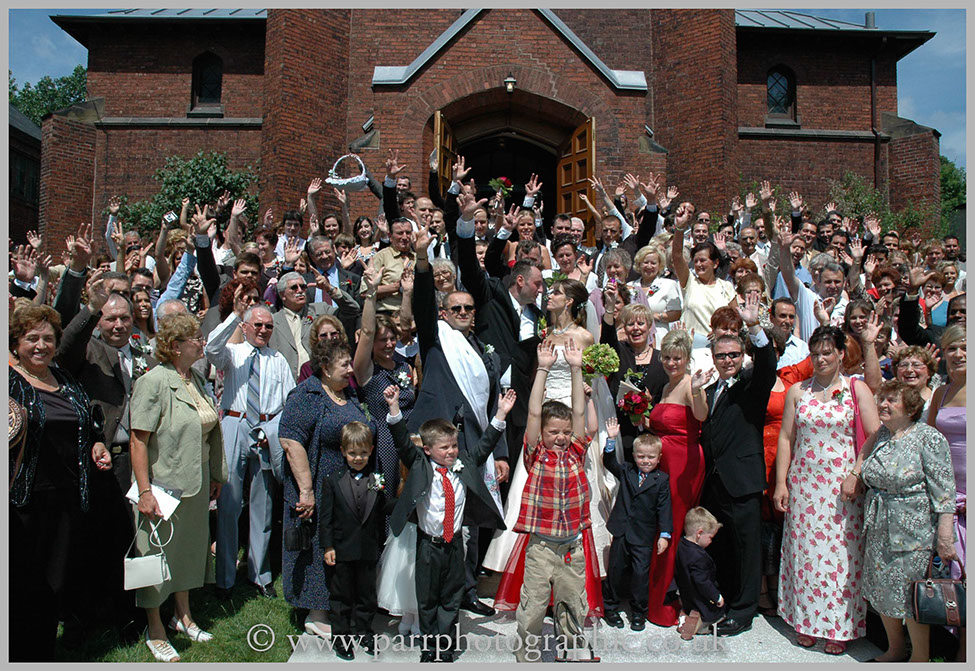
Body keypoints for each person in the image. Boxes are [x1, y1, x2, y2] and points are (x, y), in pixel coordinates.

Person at [9, 304, 112, 661]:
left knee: (55, 583)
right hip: (23, 502)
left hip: (69, 498)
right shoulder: (10, 383)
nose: (41, 345)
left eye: (48, 338)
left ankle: (42, 652)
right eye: (31, 338)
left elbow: (87, 420)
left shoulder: (65, 379)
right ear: (16, 343)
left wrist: (97, 442)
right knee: (23, 583)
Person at [386, 384, 514, 662]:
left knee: (451, 599)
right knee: (428, 599)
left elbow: (485, 445)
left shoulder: (464, 463)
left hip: (454, 544)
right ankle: (428, 647)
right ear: (429, 450)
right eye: (444, 448)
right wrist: (394, 409)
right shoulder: (420, 464)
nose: (452, 452)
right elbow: (402, 443)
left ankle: (446, 646)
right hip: (428, 546)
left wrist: (501, 414)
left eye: (454, 445)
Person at [773, 325, 880, 655]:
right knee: (805, 555)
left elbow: (875, 434)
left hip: (842, 487)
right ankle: (805, 620)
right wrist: (781, 482)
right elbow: (786, 438)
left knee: (839, 557)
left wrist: (857, 473)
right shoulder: (798, 391)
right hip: (804, 484)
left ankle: (838, 625)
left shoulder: (855, 388)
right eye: (815, 353)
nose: (820, 359)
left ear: (841, 355)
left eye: (827, 352)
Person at [130, 313, 228, 662]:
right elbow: (138, 440)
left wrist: (215, 474)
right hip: (161, 485)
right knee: (155, 555)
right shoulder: (154, 381)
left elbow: (207, 429)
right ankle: (154, 628)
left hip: (196, 482)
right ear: (175, 347)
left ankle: (183, 616)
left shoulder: (197, 378)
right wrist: (144, 492)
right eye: (196, 338)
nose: (202, 343)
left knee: (188, 551)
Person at [496, 339, 598, 662]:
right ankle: (528, 652)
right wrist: (541, 368)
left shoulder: (576, 452)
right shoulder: (535, 454)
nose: (561, 437)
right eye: (554, 432)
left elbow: (579, 411)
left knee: (571, 601)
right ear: (542, 434)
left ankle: (571, 648)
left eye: (565, 432)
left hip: (572, 546)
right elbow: (534, 411)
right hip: (540, 546)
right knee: (535, 603)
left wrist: (575, 368)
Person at [278, 338, 378, 638]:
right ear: (324, 367)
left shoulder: (348, 393)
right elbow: (290, 441)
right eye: (344, 364)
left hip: (350, 489)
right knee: (321, 547)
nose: (351, 369)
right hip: (319, 485)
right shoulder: (307, 395)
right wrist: (306, 491)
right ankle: (316, 611)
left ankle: (341, 606)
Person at [859, 380, 958, 662]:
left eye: (892, 400)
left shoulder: (928, 437)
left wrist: (944, 534)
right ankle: (895, 650)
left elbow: (944, 489)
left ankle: (920, 658)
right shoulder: (882, 435)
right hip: (879, 526)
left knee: (913, 595)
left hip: (913, 531)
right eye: (882, 399)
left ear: (912, 406)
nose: (883, 405)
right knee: (883, 590)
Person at [206, 300, 295, 600]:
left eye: (268, 325)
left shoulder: (278, 360)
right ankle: (226, 578)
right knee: (229, 504)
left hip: (267, 428)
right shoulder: (233, 354)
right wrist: (233, 315)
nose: (263, 330)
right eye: (257, 324)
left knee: (264, 504)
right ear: (245, 327)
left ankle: (260, 574)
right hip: (235, 423)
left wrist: (275, 431)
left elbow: (289, 399)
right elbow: (210, 348)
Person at [698, 294, 776, 636]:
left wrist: (755, 325)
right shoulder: (711, 387)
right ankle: (727, 601)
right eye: (721, 355)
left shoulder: (751, 385)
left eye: (733, 355)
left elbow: (768, 365)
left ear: (742, 356)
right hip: (715, 483)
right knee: (725, 548)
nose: (727, 360)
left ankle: (744, 611)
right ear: (713, 358)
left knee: (747, 550)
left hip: (742, 480)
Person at [642, 329, 710, 627]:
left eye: (677, 358)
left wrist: (696, 390)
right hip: (663, 462)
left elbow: (701, 415)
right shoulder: (666, 387)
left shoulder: (688, 385)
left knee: (671, 527)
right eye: (667, 357)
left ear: (687, 358)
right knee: (662, 526)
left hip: (683, 465)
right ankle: (657, 598)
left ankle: (667, 604)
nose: (671, 363)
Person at [319, 421, 396, 660]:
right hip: (341, 549)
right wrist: (328, 545)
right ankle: (341, 638)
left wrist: (407, 500)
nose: (358, 458)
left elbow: (383, 507)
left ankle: (365, 632)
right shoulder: (332, 480)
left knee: (366, 595)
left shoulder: (376, 479)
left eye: (363, 453)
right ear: (343, 452)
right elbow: (326, 517)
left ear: (371, 450)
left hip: (368, 548)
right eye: (352, 453)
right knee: (341, 596)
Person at [354, 266, 417, 504]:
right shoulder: (366, 369)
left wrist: (408, 293)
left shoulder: (404, 367)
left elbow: (406, 323)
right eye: (383, 340)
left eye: (392, 338)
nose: (390, 344)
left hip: (410, 443)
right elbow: (368, 331)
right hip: (384, 445)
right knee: (387, 502)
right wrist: (371, 292)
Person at [601, 428, 673, 631]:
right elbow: (609, 462)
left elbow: (664, 509)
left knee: (640, 574)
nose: (645, 461)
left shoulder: (662, 480)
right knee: (615, 570)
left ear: (659, 458)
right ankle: (611, 607)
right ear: (634, 456)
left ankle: (639, 612)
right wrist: (611, 439)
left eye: (650, 457)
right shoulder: (627, 471)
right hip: (622, 530)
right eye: (641, 456)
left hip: (643, 535)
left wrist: (665, 534)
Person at [928, 324, 966, 662]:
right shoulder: (940, 393)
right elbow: (927, 441)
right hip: (947, 496)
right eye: (952, 349)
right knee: (955, 575)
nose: (958, 354)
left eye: (964, 347)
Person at [600, 295, 668, 460]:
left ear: (649, 326)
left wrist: (650, 402)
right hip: (620, 428)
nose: (636, 328)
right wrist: (609, 309)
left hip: (650, 433)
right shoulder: (618, 351)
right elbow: (607, 336)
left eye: (640, 323)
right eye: (630, 324)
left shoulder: (661, 359)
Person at [671, 206, 738, 348]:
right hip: (689, 347)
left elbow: (737, 319)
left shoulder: (726, 287)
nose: (698, 264)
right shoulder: (689, 281)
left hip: (718, 348)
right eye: (695, 261)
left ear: (715, 263)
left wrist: (722, 332)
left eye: (703, 260)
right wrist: (680, 228)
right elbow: (677, 256)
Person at [674, 507, 726, 640]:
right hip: (698, 597)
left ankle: (685, 617)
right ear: (699, 533)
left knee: (690, 607)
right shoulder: (698, 557)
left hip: (686, 594)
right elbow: (702, 582)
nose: (711, 541)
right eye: (710, 537)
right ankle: (697, 625)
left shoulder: (681, 545)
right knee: (718, 613)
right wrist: (717, 597)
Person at [629, 244, 683, 346]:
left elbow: (677, 313)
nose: (649, 266)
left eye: (653, 263)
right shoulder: (630, 286)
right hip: (635, 336)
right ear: (639, 264)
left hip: (659, 336)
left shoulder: (668, 284)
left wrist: (656, 316)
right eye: (645, 262)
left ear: (659, 266)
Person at [297, 314, 348, 383]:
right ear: (316, 339)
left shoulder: (349, 366)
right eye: (323, 335)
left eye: (333, 334)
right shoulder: (307, 369)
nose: (329, 338)